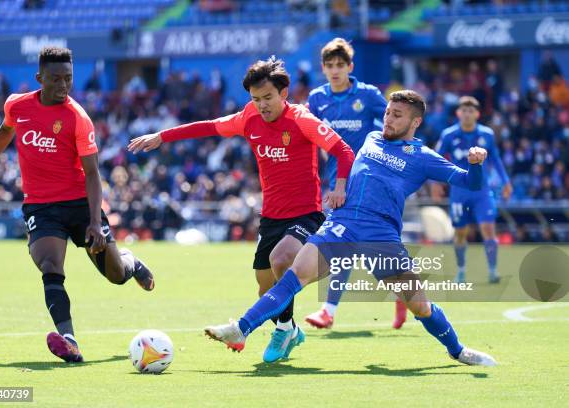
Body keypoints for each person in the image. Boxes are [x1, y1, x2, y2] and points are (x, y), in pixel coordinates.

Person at [204, 90, 497, 367]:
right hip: (341, 224)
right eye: (387, 113)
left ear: (415, 122)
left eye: (397, 115)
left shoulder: (422, 156)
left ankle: (458, 351)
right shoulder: (371, 138)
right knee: (293, 276)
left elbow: (470, 182)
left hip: (381, 235)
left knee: (419, 306)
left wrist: (476, 163)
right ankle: (240, 329)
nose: (388, 119)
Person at [128, 57, 355, 363]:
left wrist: (339, 187)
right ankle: (290, 329)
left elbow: (343, 151)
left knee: (281, 259)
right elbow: (209, 126)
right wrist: (162, 136)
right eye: (256, 99)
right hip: (271, 217)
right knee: (266, 290)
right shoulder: (248, 118)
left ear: (283, 93)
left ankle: (282, 331)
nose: (262, 105)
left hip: (307, 213)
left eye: (268, 98)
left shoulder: (302, 119)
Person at [0, 47, 155, 363]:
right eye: (55, 79)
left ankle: (130, 262)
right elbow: (4, 130)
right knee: (50, 267)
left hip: (82, 206)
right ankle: (69, 340)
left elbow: (93, 174)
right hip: (41, 207)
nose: (63, 86)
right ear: (39, 78)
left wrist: (95, 222)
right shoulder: (17, 105)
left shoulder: (78, 118)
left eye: (68, 79)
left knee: (116, 276)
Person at [304, 37, 409, 330]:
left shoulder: (369, 95)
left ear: (350, 66)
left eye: (340, 65)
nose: (335, 70)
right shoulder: (317, 99)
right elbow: (310, 139)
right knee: (356, 247)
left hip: (368, 179)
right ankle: (401, 291)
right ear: (323, 69)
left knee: (346, 245)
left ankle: (328, 310)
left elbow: (394, 122)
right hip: (336, 180)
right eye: (330, 65)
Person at [435, 96, 511, 284]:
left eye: (471, 111)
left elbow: (496, 160)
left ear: (477, 114)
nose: (467, 114)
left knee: (488, 228)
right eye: (464, 110)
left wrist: (506, 182)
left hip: (482, 191)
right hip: (459, 192)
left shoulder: (487, 135)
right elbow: (437, 159)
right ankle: (461, 271)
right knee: (460, 233)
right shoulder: (448, 135)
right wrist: (436, 183)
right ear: (458, 113)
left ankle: (493, 271)